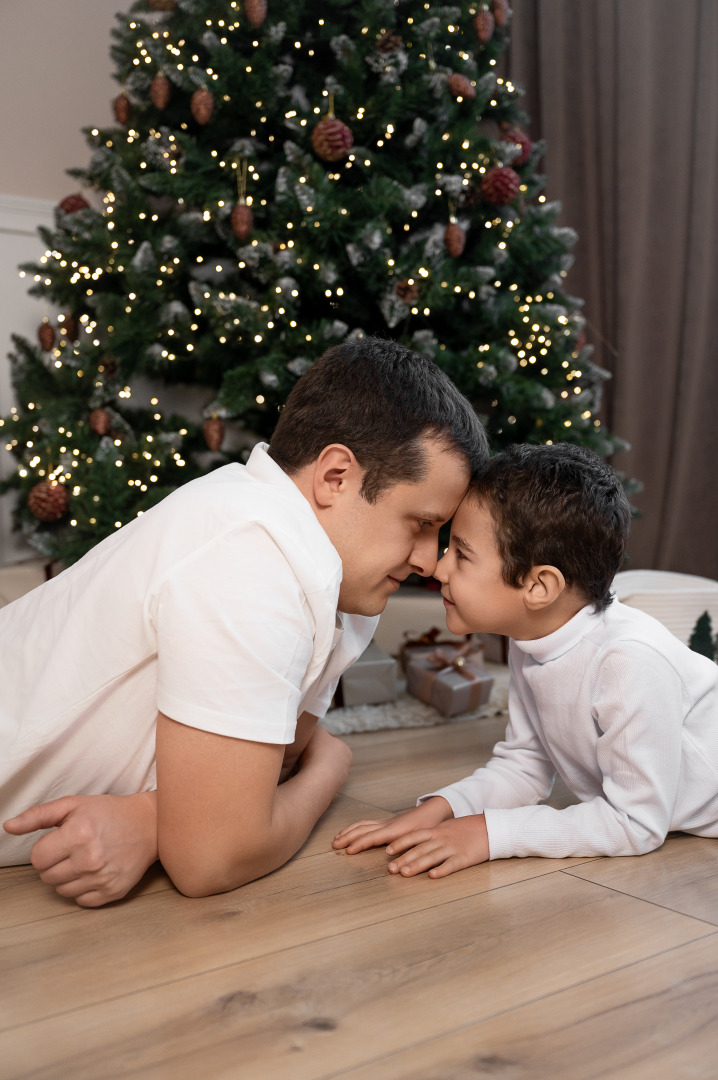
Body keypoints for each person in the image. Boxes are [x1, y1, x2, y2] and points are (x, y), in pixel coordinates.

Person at [0, 336, 488, 905]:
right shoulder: (248, 553)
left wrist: (153, 817)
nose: (429, 561)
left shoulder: (338, 582)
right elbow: (215, 855)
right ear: (336, 477)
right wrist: (332, 766)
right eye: (420, 523)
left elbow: (275, 763)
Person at [334, 443, 718, 877]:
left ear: (539, 587)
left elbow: (635, 823)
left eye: (461, 554)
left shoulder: (629, 661)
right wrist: (440, 810)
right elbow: (524, 767)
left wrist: (488, 834)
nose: (438, 570)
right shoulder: (531, 639)